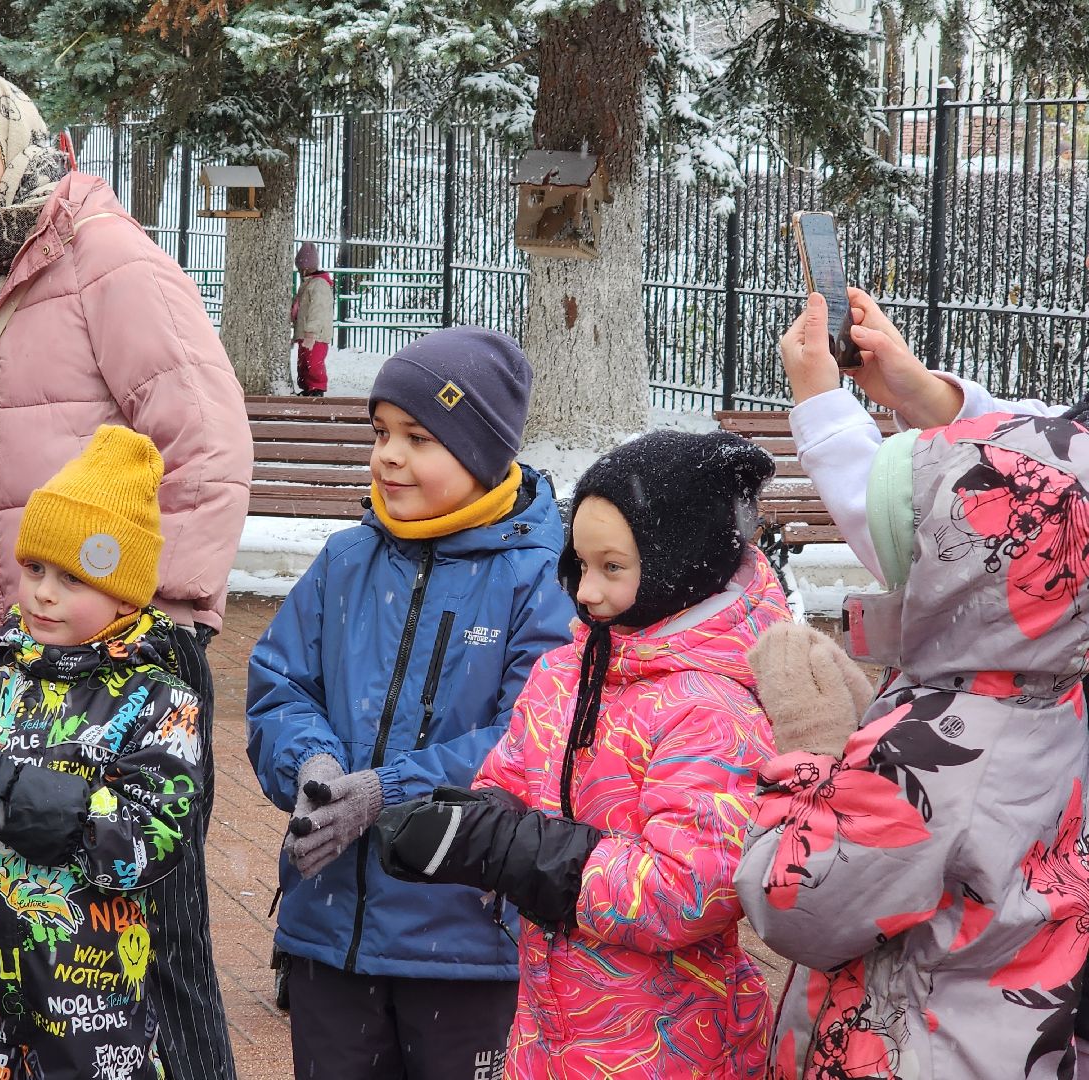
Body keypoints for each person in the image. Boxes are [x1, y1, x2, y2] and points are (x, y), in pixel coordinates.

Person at [0, 74, 248, 1076]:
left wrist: (163, 622)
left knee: (149, 939)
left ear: (14, 136)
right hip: (4, 661)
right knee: (8, 936)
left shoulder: (109, 261)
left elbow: (207, 442)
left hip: (121, 660)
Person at [732, 292, 1089, 1078]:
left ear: (953, 570)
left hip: (906, 1050)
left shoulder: (940, 742)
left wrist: (818, 756)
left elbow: (794, 904)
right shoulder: (1056, 695)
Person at [377, 430, 790, 1078]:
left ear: (676, 564)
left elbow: (687, 890)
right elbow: (512, 771)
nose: (586, 591)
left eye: (613, 568)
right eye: (579, 565)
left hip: (667, 1044)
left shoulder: (712, 711)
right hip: (549, 1028)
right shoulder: (567, 672)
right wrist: (465, 820)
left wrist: (515, 849)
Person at [245, 327, 576, 1079]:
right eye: (382, 432)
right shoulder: (346, 561)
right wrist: (313, 765)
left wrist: (388, 793)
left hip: (467, 947)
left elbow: (531, 741)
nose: (388, 455)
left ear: (485, 453)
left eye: (419, 437)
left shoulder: (538, 579)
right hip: (329, 931)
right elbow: (278, 684)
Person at [0, 425, 207, 1080]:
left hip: (91, 1015)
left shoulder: (160, 703)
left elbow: (145, 846)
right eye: (35, 568)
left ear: (125, 591)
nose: (45, 593)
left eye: (74, 578)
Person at [290, 241, 333, 397]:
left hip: (316, 334)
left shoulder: (319, 284)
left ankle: (317, 388)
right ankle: (307, 387)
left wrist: (311, 332)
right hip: (305, 332)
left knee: (313, 363)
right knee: (303, 363)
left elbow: (318, 311)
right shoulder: (308, 284)